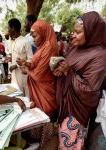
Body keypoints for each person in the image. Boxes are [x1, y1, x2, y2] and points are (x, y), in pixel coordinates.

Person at [53, 11, 106, 149]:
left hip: (76, 110)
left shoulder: (100, 55)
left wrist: (68, 72)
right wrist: (61, 69)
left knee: (70, 145)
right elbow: (70, 67)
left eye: (78, 32)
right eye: (73, 31)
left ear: (91, 32)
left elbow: (90, 90)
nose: (73, 35)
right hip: (65, 104)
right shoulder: (76, 48)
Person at [17, 20, 58, 147]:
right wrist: (26, 63)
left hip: (45, 86)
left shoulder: (49, 47)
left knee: (45, 111)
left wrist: (27, 70)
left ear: (44, 33)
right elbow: (36, 65)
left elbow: (39, 75)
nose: (33, 39)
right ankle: (36, 137)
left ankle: (45, 140)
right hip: (38, 86)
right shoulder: (42, 47)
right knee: (38, 110)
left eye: (34, 36)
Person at [6, 18, 33, 97]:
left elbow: (31, 59)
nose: (8, 30)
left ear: (13, 28)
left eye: (8, 28)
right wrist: (10, 59)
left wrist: (16, 65)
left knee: (25, 96)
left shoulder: (25, 41)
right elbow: (16, 57)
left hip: (23, 74)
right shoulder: (13, 42)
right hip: (14, 74)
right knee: (16, 95)